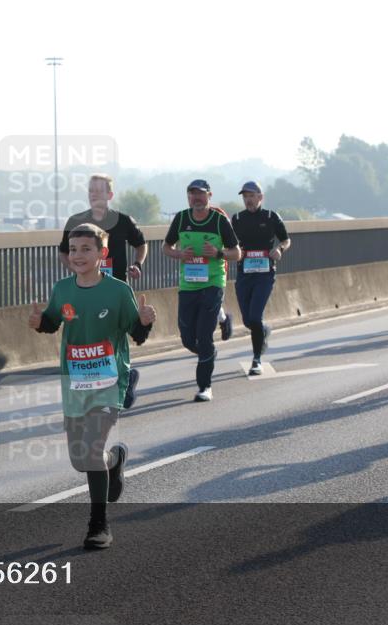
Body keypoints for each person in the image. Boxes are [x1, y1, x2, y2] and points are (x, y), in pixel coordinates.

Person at [31, 223, 156, 548]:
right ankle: (114, 460)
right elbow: (52, 322)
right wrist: (40, 322)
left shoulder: (118, 291)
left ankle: (98, 525)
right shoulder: (62, 289)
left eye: (86, 249)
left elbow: (137, 334)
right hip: (75, 382)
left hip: (109, 380)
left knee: (89, 451)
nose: (78, 255)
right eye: (73, 250)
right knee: (80, 459)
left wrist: (145, 322)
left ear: (102, 253)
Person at [60, 174, 148, 409]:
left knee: (114, 339)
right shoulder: (76, 222)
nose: (94, 194)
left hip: (116, 290)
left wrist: (137, 264)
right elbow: (64, 252)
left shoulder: (123, 221)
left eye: (99, 190)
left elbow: (141, 244)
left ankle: (122, 380)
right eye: (91, 190)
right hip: (86, 290)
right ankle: (117, 383)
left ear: (109, 195)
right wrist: (77, 268)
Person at [162, 179, 242, 401]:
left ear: (209, 196)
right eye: (192, 194)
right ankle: (209, 352)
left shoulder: (219, 220)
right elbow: (165, 247)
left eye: (200, 194)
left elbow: (237, 253)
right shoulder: (181, 218)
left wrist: (218, 253)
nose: (196, 198)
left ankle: (204, 386)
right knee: (188, 338)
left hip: (212, 283)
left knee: (204, 335)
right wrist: (178, 254)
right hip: (188, 285)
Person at [230, 181, 291, 375]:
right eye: (245, 197)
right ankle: (263, 331)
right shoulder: (237, 219)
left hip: (265, 274)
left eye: (251, 196)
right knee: (248, 321)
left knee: (255, 317)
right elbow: (229, 243)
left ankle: (256, 360)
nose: (248, 200)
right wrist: (234, 252)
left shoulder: (271, 217)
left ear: (260, 197)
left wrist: (279, 249)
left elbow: (286, 239)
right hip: (244, 274)